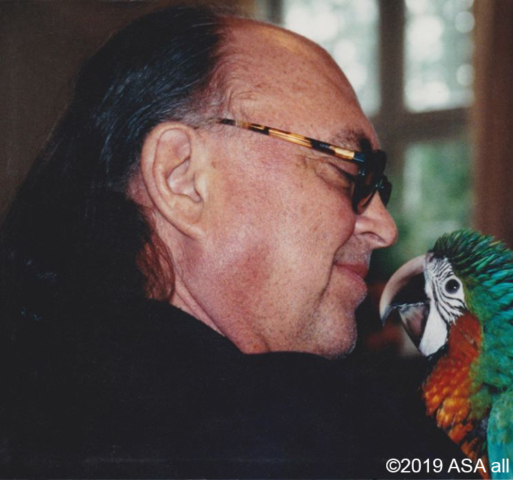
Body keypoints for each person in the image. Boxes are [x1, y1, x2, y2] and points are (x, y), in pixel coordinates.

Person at [0, 5, 470, 478]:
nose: (384, 228)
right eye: (348, 171)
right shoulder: (293, 431)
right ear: (181, 177)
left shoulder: (37, 400)